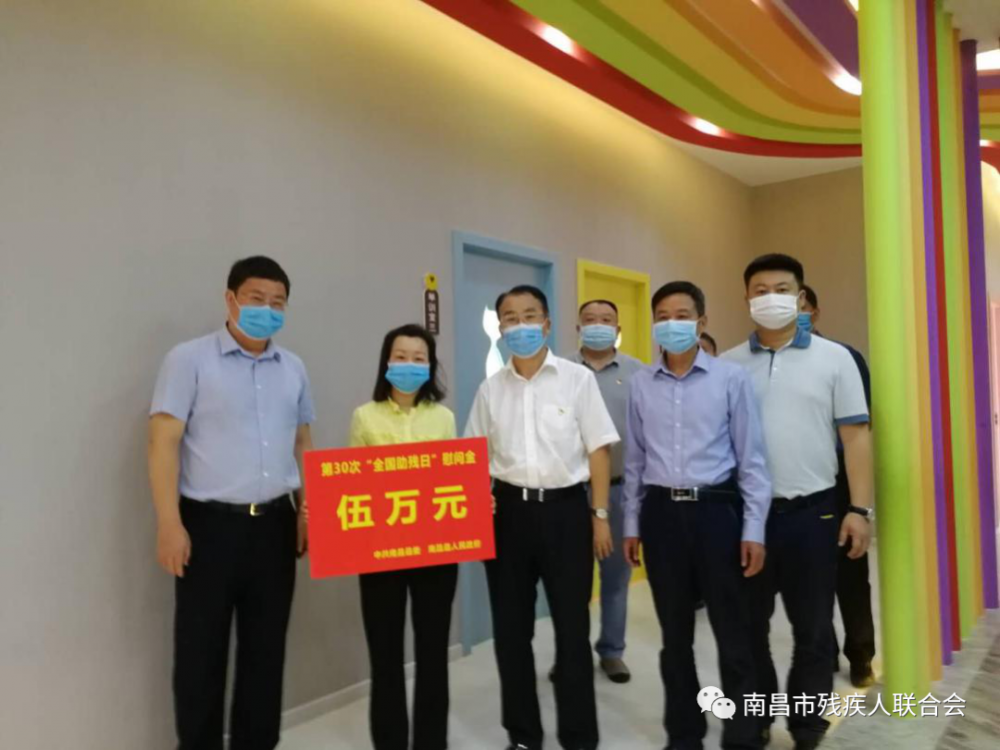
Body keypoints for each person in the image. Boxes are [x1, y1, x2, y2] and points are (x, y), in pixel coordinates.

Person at [148, 256, 314, 750]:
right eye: (256, 299)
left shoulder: (294, 368)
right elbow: (162, 442)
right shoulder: (189, 360)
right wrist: (168, 523)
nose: (267, 310)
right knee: (200, 653)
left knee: (266, 651)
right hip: (208, 527)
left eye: (278, 303)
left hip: (276, 525)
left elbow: (303, 442)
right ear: (230, 299)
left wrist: (307, 510)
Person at [724, 255, 874, 750]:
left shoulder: (836, 359)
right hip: (747, 518)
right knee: (749, 630)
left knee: (812, 631)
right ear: (747, 298)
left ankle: (807, 725)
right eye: (760, 289)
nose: (770, 297)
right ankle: (757, 717)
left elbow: (856, 438)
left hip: (814, 513)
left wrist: (859, 510)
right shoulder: (727, 365)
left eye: (782, 288)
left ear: (800, 296)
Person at [465, 284, 619, 750]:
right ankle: (523, 735)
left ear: (547, 324)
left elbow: (598, 450)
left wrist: (599, 515)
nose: (521, 326)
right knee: (511, 633)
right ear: (500, 328)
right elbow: (473, 457)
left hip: (566, 513)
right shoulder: (490, 389)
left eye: (529, 316)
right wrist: (479, 502)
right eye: (510, 318)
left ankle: (579, 736)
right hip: (508, 516)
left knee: (573, 631)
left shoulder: (577, 380)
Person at [623, 281, 771, 750]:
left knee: (733, 631)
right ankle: (684, 733)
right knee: (674, 636)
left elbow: (752, 461)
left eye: (683, 315)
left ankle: (743, 734)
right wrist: (632, 524)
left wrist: (753, 529)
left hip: (716, 514)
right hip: (661, 515)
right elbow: (634, 462)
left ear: (702, 322)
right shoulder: (642, 384)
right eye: (663, 316)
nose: (672, 324)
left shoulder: (730, 379)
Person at [350, 324, 459, 750]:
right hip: (380, 556)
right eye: (401, 356)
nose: (409, 365)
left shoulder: (444, 418)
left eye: (419, 358)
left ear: (430, 366)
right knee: (385, 658)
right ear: (386, 362)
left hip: (436, 554)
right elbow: (351, 486)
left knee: (433, 657)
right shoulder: (365, 417)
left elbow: (453, 480)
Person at [800, 286, 876, 688]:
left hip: (840, 477)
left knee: (850, 571)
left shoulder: (844, 358)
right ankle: (824, 651)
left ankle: (861, 656)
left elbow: (860, 425)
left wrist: (860, 506)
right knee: (809, 576)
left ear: (815, 312)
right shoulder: (776, 363)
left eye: (801, 307)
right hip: (798, 481)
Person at [570, 299, 645, 684]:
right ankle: (571, 653)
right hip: (570, 492)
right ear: (577, 328)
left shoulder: (638, 374)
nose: (597, 325)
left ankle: (612, 652)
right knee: (571, 581)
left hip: (619, 490)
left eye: (606, 320)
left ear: (617, 329)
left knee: (615, 577)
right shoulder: (561, 371)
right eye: (589, 319)